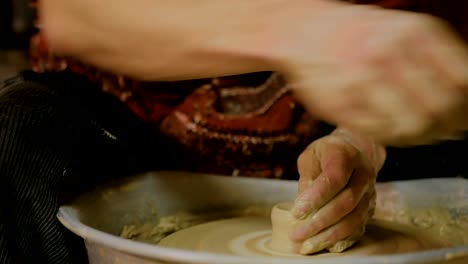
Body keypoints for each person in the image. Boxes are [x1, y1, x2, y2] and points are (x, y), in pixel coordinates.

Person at [0, 0, 466, 263]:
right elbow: (76, 15)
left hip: (323, 118)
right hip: (125, 119)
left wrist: (363, 133)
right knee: (12, 135)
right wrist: (301, 32)